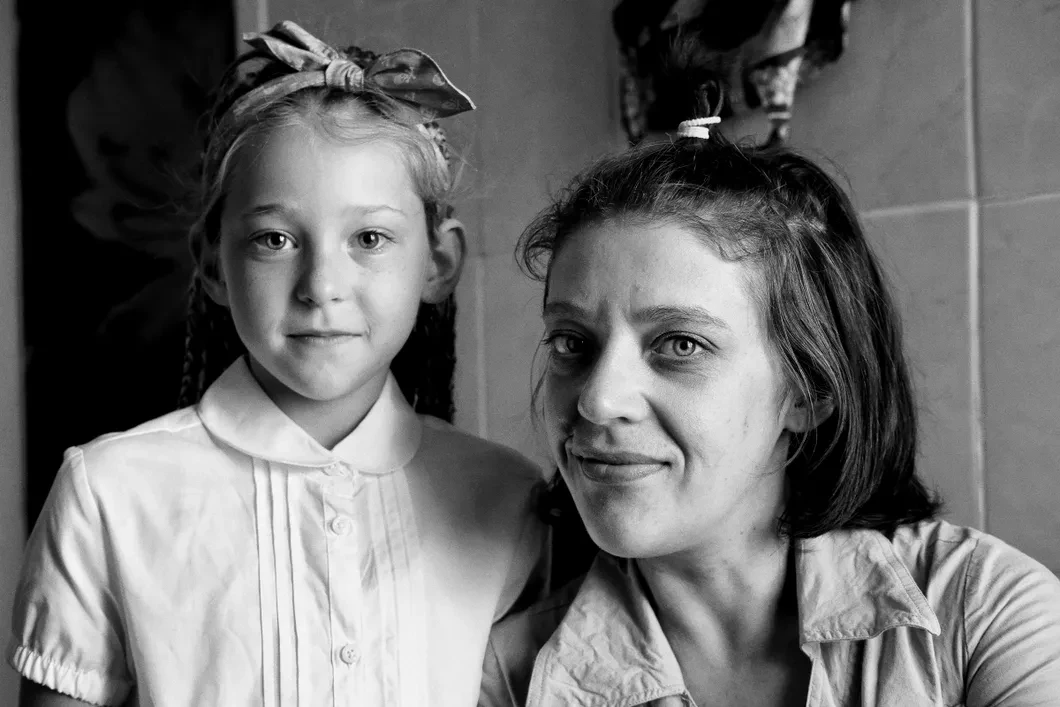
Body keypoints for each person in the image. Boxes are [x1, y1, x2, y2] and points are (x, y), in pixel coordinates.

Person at [9, 21, 546, 707]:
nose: (322, 285)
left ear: (438, 262)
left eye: (370, 238)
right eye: (275, 239)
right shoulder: (108, 494)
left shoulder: (508, 500)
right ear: (212, 264)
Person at [480, 113, 1060, 706]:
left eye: (681, 345)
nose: (597, 400)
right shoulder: (512, 678)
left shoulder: (986, 612)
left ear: (809, 391)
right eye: (571, 342)